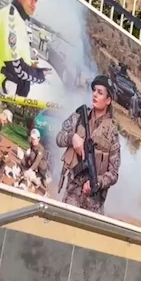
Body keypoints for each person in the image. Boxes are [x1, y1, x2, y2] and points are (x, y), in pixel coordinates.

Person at [55, 75, 121, 214]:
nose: (95, 95)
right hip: (72, 195)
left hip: (93, 203)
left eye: (100, 92)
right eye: (94, 91)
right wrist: (72, 138)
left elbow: (114, 173)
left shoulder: (112, 133)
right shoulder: (78, 118)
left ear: (108, 100)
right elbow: (59, 138)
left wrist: (96, 183)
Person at [0, 0, 49, 97]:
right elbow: (16, 67)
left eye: (35, 0)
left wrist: (31, 65)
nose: (33, 3)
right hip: (5, 93)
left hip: (13, 93)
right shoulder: (10, 17)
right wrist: (39, 76)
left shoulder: (19, 19)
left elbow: (18, 55)